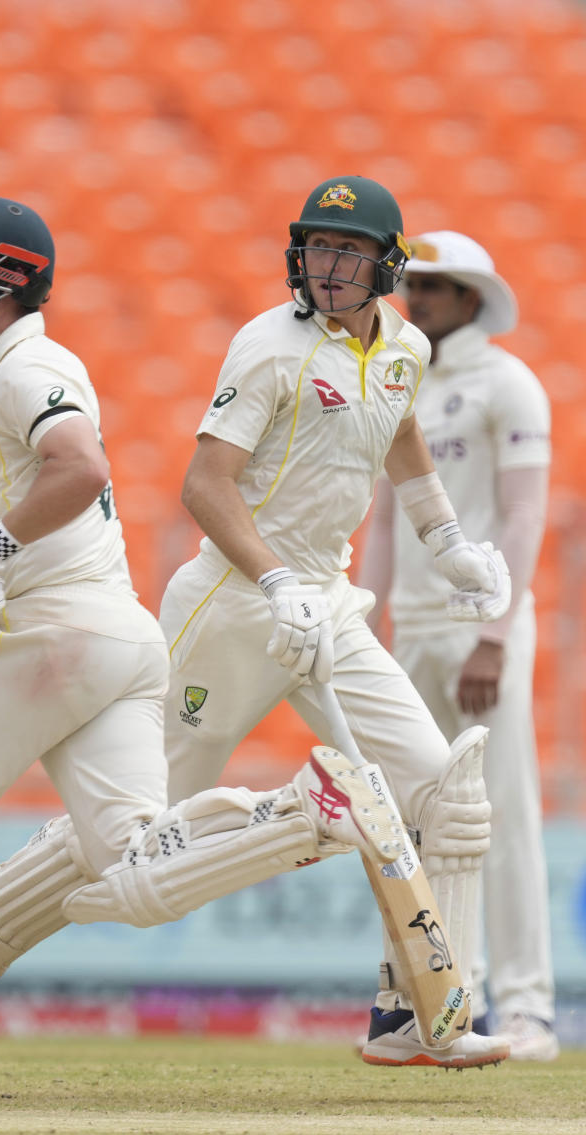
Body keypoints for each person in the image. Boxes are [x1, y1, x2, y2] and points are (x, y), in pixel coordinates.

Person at [0, 196, 388, 1093]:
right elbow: (33, 518)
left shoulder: (27, 363)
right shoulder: (9, 371)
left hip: (47, 637)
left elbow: (81, 467)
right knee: (129, 860)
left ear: (10, 279)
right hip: (121, 639)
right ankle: (295, 817)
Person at [0, 177, 514, 1070]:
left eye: (348, 251)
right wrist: (276, 580)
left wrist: (450, 544)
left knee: (438, 789)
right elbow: (204, 485)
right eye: (319, 247)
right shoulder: (269, 346)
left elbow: (402, 444)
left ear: (386, 262)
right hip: (232, 604)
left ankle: (411, 1014)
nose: (328, 266)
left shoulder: (402, 347)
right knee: (140, 835)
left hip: (330, 602)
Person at [356, 231, 557, 1061]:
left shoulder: (507, 384)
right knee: (414, 820)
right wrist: (364, 624)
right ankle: (435, 1005)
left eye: (435, 285)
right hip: (410, 628)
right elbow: (383, 523)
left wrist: (495, 636)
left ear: (472, 298)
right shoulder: (395, 377)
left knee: (500, 814)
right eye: (414, 282)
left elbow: (521, 517)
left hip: (480, 633)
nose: (418, 296)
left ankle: (530, 1007)